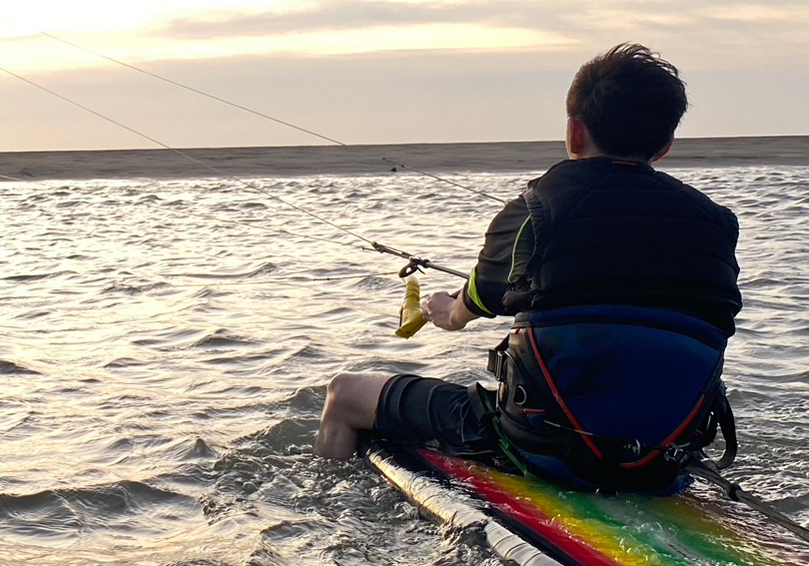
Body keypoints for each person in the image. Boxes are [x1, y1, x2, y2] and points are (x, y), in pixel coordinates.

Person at [315, 43, 742, 493]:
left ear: (574, 132)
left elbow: (472, 304)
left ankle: (327, 503)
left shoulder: (533, 209)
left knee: (344, 393)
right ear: (665, 144)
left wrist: (447, 311)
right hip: (664, 458)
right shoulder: (718, 224)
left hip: (542, 447)